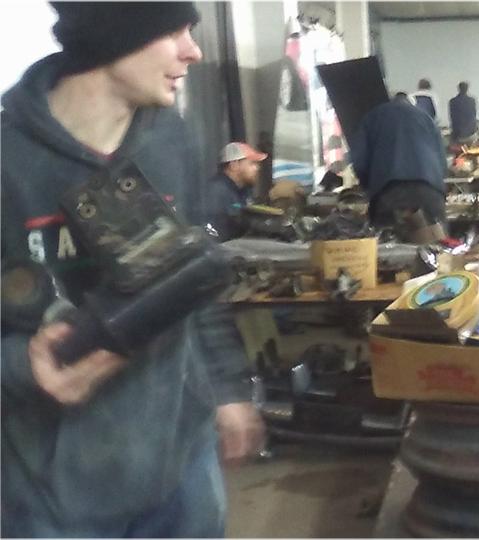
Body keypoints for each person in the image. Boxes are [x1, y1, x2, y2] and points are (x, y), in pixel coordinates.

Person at [0, 2, 265, 536]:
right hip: (54, 497)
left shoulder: (173, 138)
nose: (194, 51)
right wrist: (21, 367)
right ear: (113, 33)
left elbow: (194, 280)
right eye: (173, 32)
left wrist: (226, 388)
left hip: (182, 471)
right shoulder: (9, 159)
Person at [349, 97, 447, 229]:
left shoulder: (372, 118)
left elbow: (359, 161)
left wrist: (369, 187)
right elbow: (442, 163)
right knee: (436, 239)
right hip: (429, 192)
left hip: (389, 192)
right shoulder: (426, 118)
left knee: (389, 239)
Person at [205, 142, 267, 242]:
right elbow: (216, 232)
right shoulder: (217, 191)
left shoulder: (244, 190)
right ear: (234, 165)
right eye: (252, 163)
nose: (257, 168)